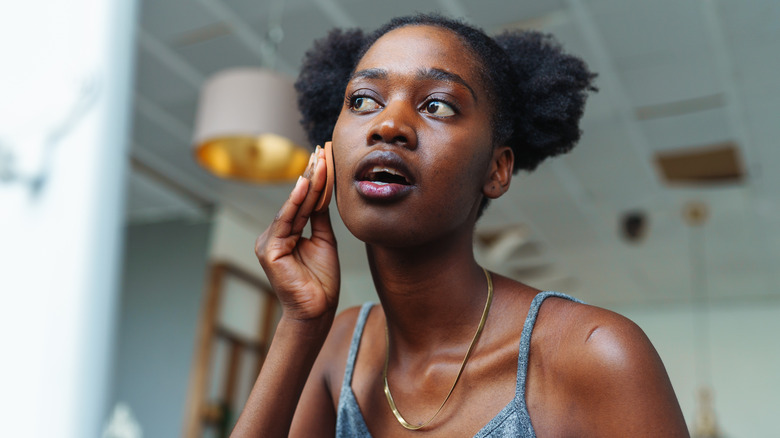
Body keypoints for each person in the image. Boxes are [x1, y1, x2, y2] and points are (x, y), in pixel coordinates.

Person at [232, 14, 689, 437]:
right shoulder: (337, 347)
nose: (388, 125)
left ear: (496, 169)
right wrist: (300, 324)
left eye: (438, 106)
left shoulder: (595, 354)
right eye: (363, 100)